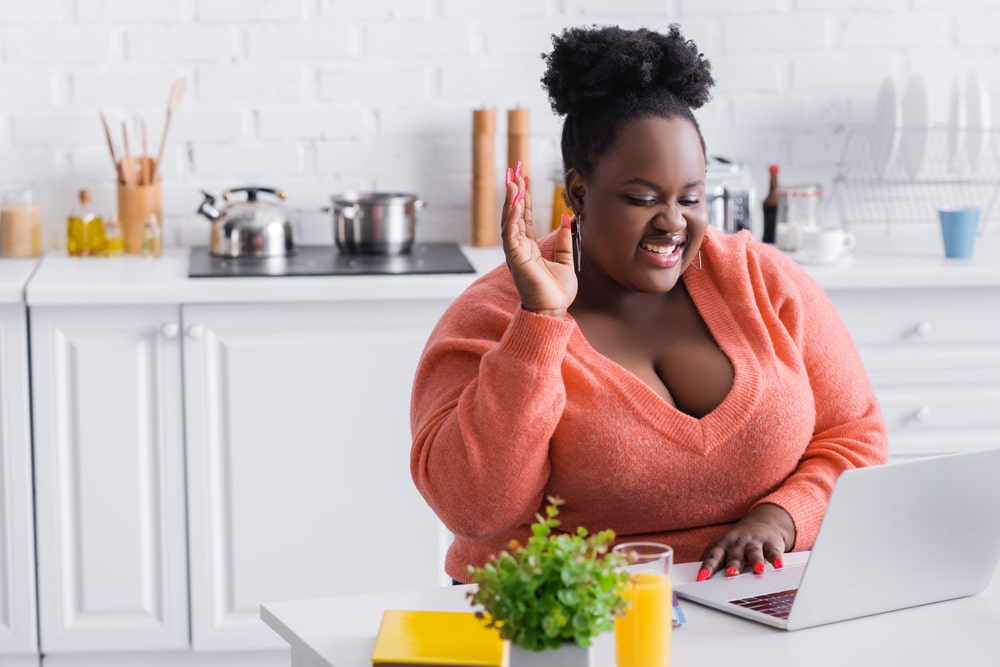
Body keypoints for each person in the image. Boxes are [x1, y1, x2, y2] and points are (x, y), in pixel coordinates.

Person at [410, 24, 887, 584]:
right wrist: (539, 324)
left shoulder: (761, 279)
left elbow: (854, 438)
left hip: (753, 597)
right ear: (579, 192)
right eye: (642, 198)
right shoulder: (491, 317)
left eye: (691, 197)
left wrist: (782, 519)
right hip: (560, 619)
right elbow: (474, 509)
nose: (673, 222)